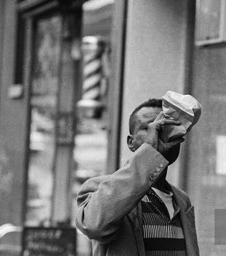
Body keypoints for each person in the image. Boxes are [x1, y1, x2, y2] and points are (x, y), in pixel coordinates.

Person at [76, 99, 199, 256]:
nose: (160, 133)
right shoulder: (99, 188)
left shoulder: (182, 200)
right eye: (149, 128)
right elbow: (93, 225)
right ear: (131, 142)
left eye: (167, 128)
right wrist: (149, 153)